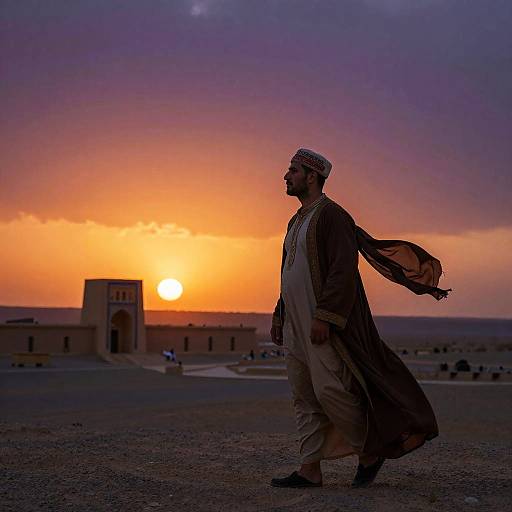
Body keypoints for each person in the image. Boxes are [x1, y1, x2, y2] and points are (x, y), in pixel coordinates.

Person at [270, 148, 450, 489]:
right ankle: (310, 469)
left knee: (331, 392)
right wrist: (280, 314)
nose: (285, 176)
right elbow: (288, 271)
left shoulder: (333, 216)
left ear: (311, 176)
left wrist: (325, 316)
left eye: (292, 170)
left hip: (321, 327)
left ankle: (370, 452)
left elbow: (343, 271)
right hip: (295, 325)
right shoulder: (296, 221)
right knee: (304, 395)